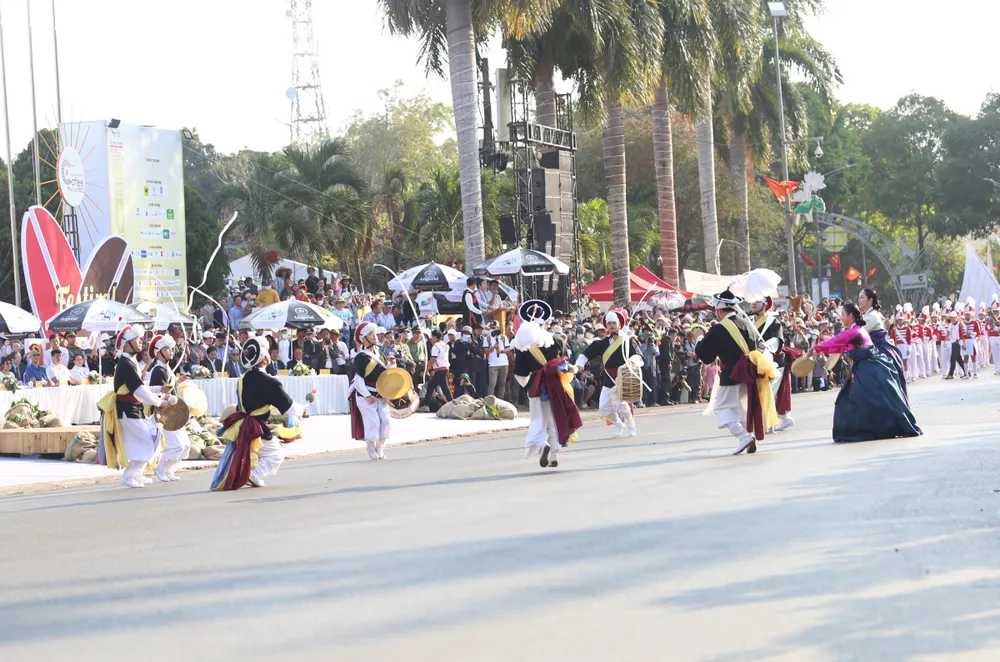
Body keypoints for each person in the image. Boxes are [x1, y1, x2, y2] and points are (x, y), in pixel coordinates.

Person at [811, 302, 921, 443]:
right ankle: (867, 429)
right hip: (867, 368)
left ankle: (864, 430)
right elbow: (840, 346)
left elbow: (836, 341)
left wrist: (817, 348)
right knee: (867, 401)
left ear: (850, 316)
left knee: (863, 400)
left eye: (843, 314)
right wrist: (818, 349)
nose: (841, 317)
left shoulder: (854, 332)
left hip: (870, 369)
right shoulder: (856, 329)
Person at [211, 338, 300, 490]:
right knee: (276, 454)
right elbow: (290, 408)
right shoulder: (270, 382)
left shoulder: (242, 379)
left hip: (241, 426)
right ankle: (255, 474)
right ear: (264, 358)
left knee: (259, 451)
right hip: (256, 427)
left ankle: (249, 472)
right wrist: (302, 409)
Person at [696, 290, 776, 456]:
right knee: (743, 408)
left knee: (722, 407)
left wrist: (698, 338)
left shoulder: (719, 329)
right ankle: (750, 435)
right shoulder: (748, 324)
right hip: (749, 373)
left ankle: (743, 437)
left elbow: (705, 355)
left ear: (719, 310)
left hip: (731, 374)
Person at [97, 325, 174, 488]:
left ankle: (136, 473)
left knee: (150, 438)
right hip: (127, 410)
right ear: (127, 343)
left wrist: (159, 390)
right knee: (150, 439)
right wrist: (160, 402)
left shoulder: (129, 362)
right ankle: (129, 475)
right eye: (137, 339)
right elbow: (139, 390)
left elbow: (139, 388)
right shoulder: (126, 363)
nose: (141, 341)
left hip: (134, 410)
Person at [511, 300, 582, 468]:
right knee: (555, 419)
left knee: (538, 419)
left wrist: (526, 383)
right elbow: (564, 360)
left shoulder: (522, 344)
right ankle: (555, 455)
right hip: (556, 383)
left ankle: (543, 445)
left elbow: (520, 372)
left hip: (538, 385)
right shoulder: (556, 339)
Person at [574, 309, 641, 438]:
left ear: (619, 325)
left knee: (622, 405)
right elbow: (586, 354)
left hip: (623, 376)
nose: (611, 325)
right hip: (609, 377)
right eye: (609, 323)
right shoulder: (601, 343)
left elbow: (638, 354)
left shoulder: (627, 341)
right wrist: (579, 364)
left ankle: (631, 425)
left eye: (613, 323)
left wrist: (633, 361)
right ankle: (618, 424)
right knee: (603, 406)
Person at [146, 335, 191, 482]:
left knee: (185, 445)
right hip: (165, 413)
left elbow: (169, 388)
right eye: (167, 349)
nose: (171, 351)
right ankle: (160, 468)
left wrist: (178, 380)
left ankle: (170, 468)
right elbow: (159, 392)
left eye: (172, 349)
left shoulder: (166, 368)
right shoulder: (157, 370)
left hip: (173, 411)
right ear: (159, 351)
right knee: (177, 445)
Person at [348, 322, 392, 460]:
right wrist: (367, 395)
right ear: (364, 338)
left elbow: (385, 375)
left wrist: (391, 365)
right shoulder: (361, 357)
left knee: (385, 421)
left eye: (374, 333)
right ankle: (370, 446)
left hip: (381, 394)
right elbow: (358, 380)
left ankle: (381, 447)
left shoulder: (380, 354)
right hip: (366, 395)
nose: (375, 336)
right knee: (372, 422)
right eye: (371, 334)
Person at [750, 296, 794, 431]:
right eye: (752, 300)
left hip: (774, 363)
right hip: (756, 362)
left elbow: (776, 340)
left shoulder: (773, 322)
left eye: (757, 301)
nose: (754, 303)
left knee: (768, 390)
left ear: (765, 304)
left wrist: (766, 346)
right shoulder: (748, 321)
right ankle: (783, 418)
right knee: (762, 391)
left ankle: (768, 422)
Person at [858, 288, 907, 403]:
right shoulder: (871, 314)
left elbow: (856, 336)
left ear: (870, 300)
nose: (859, 300)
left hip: (879, 354)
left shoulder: (872, 316)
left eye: (862, 297)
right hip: (876, 352)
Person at [423, 329, 452, 407]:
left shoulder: (436, 346)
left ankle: (452, 403)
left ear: (435, 337)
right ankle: (426, 405)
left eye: (432, 337)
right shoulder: (445, 345)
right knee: (431, 387)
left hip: (440, 370)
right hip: (444, 368)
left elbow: (432, 360)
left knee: (445, 388)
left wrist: (426, 370)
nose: (431, 339)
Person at [485, 321, 510, 399]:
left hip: (504, 363)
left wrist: (501, 351)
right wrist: (493, 348)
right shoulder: (487, 338)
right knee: (492, 383)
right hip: (493, 364)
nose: (493, 329)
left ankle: (500, 401)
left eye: (494, 327)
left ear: (498, 328)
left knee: (502, 383)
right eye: (491, 327)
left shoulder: (503, 337)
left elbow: (508, 349)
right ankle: (489, 402)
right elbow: (485, 351)